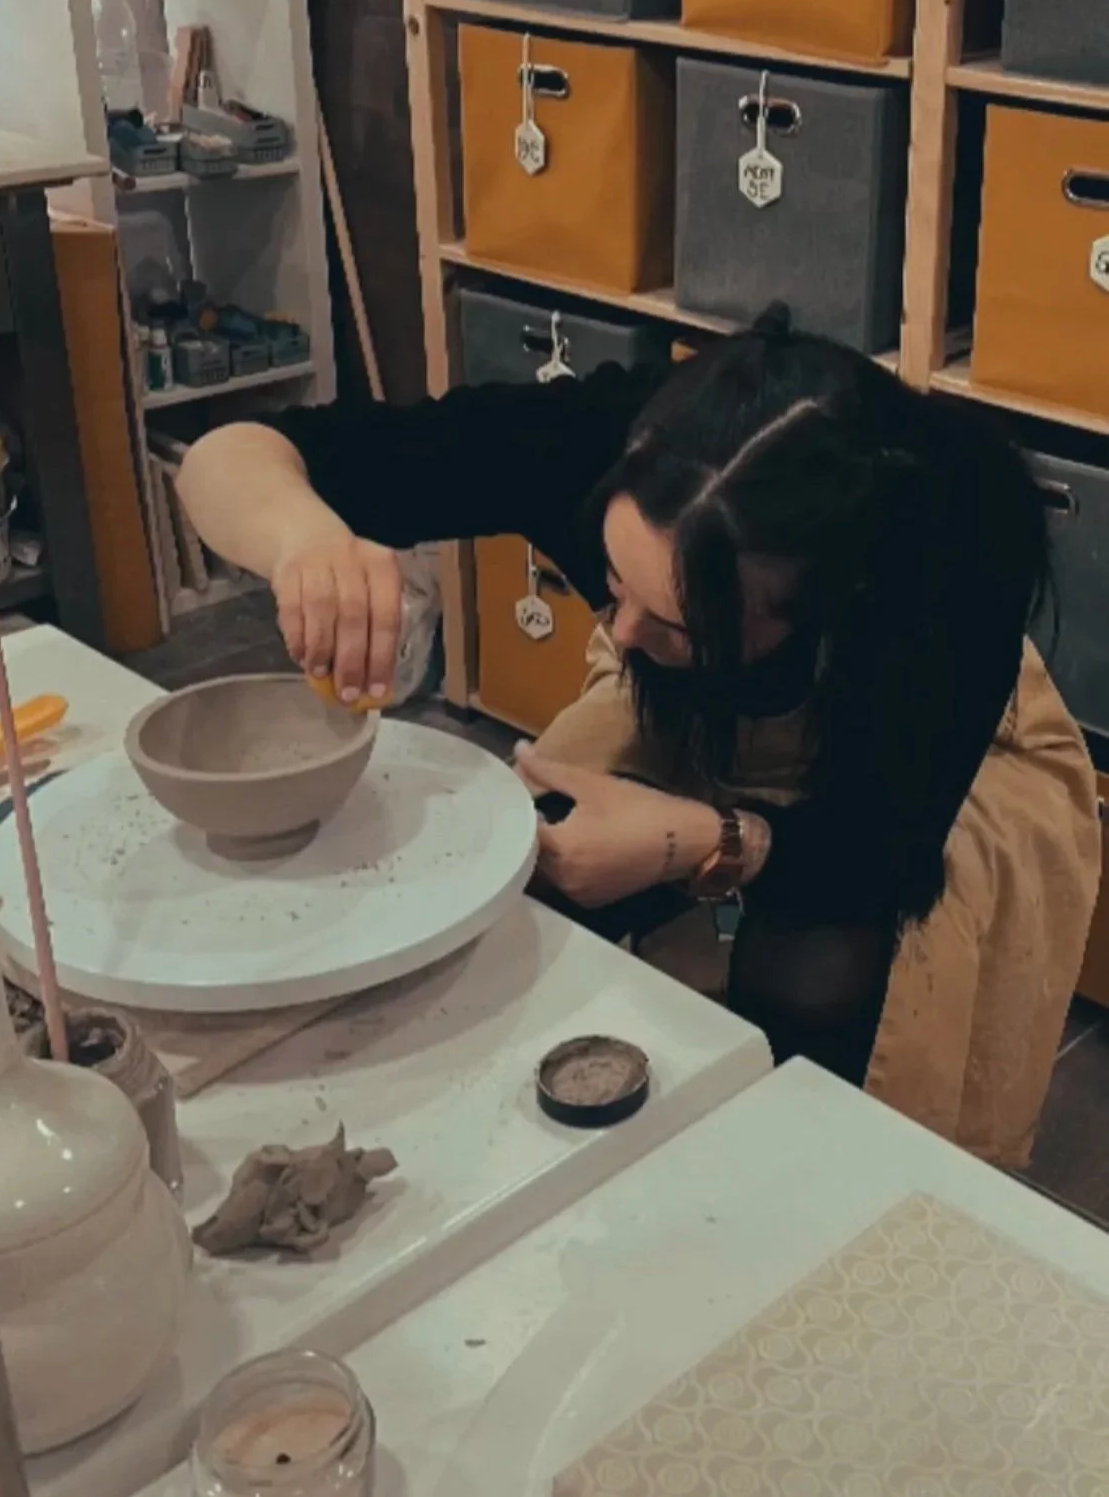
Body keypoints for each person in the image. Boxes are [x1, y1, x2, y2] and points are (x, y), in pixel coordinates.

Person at [177, 310, 1100, 1166]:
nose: (618, 633)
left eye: (677, 620)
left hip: (917, 767)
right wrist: (305, 539)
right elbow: (229, 456)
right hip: (694, 706)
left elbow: (877, 861)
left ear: (824, 601)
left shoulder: (952, 551)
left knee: (818, 968)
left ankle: (798, 1178)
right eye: (614, 582)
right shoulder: (625, 442)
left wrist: (699, 840)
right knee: (529, 840)